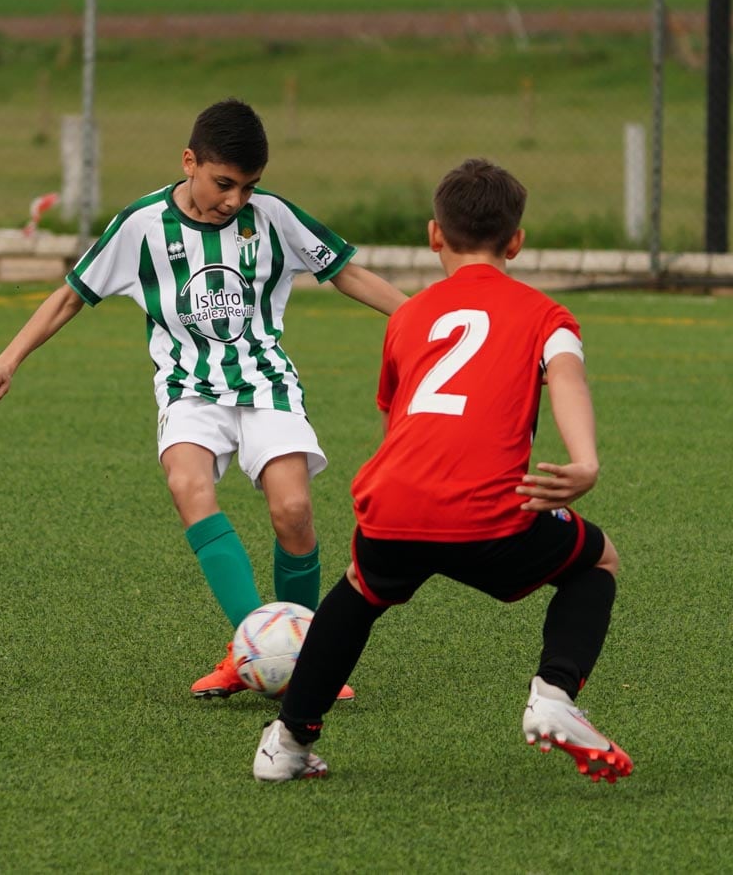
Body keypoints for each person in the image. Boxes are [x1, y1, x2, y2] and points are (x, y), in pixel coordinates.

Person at [0, 98, 407, 698]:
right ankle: (255, 649)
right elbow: (71, 295)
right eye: (224, 183)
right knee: (187, 484)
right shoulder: (141, 224)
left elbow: (347, 272)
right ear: (189, 162)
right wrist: (7, 358)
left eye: (248, 187)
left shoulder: (273, 217)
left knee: (293, 513)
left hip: (264, 384)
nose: (235, 200)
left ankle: (303, 655)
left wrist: (425, 319)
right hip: (188, 391)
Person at [251, 158, 633, 784]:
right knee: (597, 562)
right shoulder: (546, 315)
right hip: (490, 515)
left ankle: (286, 744)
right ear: (516, 242)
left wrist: (383, 517)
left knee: (360, 591)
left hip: (395, 501)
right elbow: (566, 374)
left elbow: (396, 422)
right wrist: (584, 459)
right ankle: (554, 694)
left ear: (435, 236)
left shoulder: (408, 317)